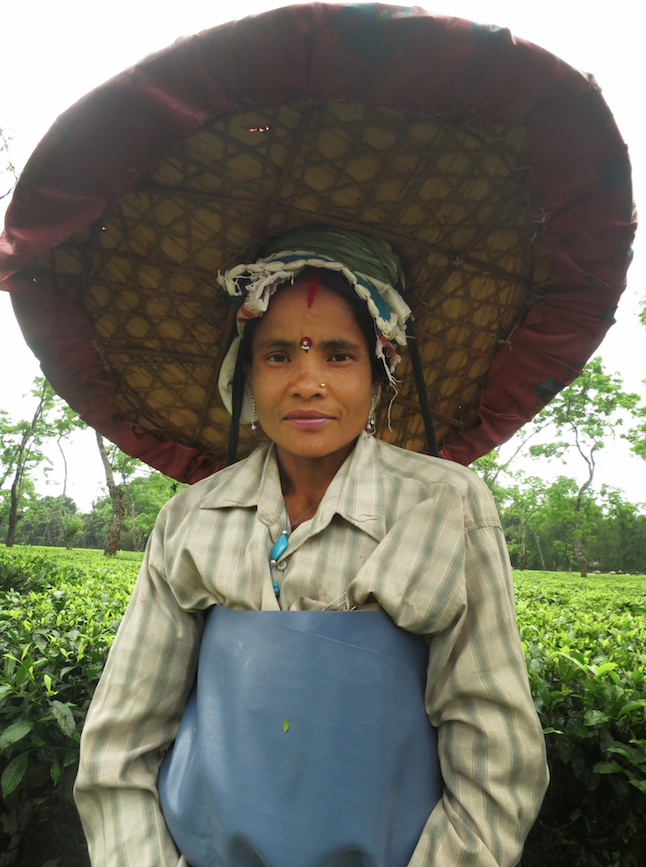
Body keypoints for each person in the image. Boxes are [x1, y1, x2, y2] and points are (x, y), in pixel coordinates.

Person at [74, 228, 548, 867]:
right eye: (277, 356)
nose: (307, 382)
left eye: (338, 355)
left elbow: (496, 759)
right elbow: (118, 748)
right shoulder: (189, 520)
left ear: (379, 372)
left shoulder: (446, 507)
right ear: (244, 374)